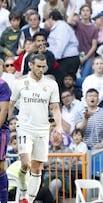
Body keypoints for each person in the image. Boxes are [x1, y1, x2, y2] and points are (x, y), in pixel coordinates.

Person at [8, 53, 62, 203]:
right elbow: (11, 105)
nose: (41, 69)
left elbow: (55, 108)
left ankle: (28, 200)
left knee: (37, 168)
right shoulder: (20, 83)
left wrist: (58, 126)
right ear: (30, 65)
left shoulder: (51, 84)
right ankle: (23, 186)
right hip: (25, 127)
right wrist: (6, 123)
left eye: (43, 67)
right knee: (26, 163)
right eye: (38, 66)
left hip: (43, 129)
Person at [0, 77, 11, 203]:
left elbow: (3, 111)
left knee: (0, 168)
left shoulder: (3, 85)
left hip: (0, 131)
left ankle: (4, 201)